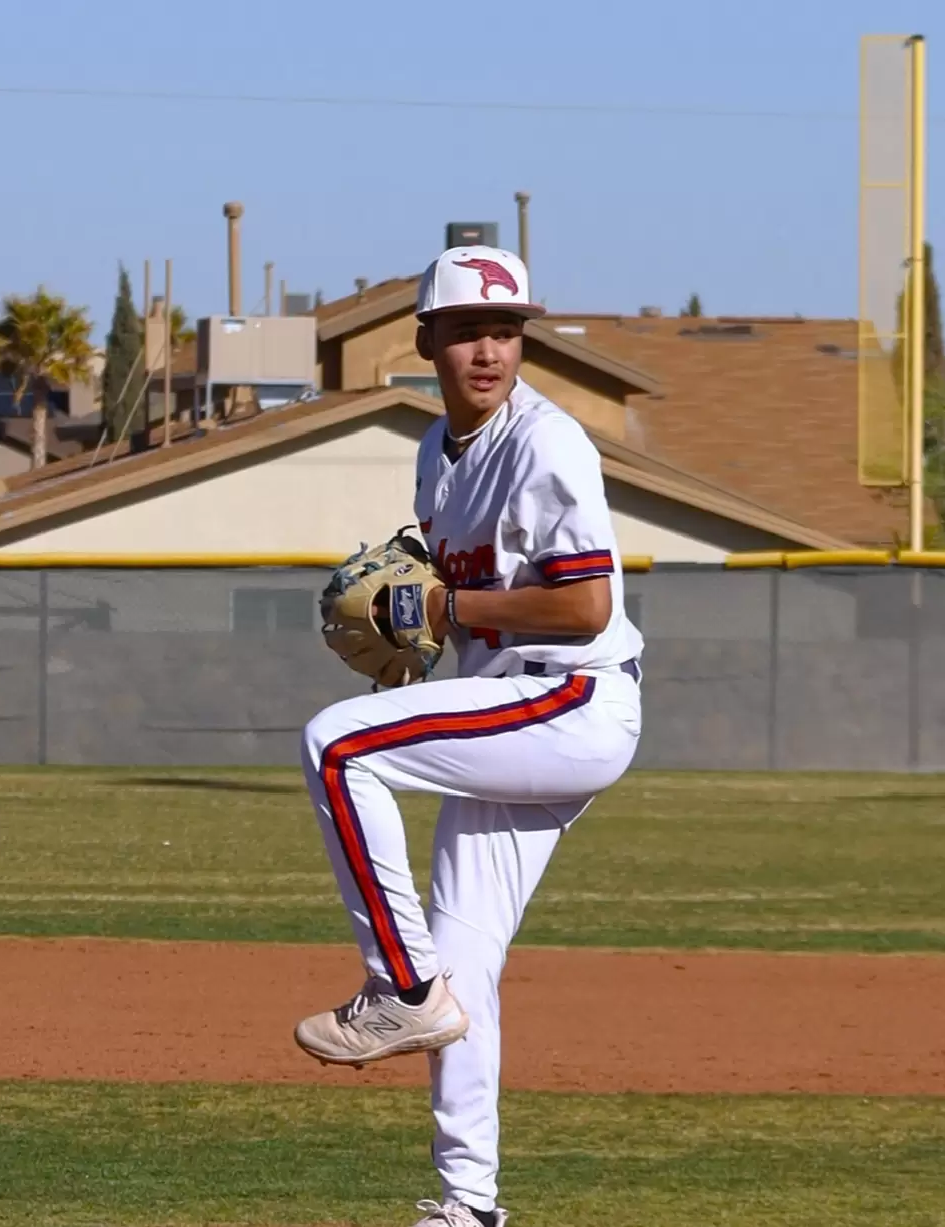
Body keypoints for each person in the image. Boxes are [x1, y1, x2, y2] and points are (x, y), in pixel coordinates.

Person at [296, 245, 643, 1227]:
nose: (488, 351)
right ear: (426, 343)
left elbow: (583, 607)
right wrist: (417, 641)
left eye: (504, 331)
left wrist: (449, 607)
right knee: (465, 968)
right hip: (514, 706)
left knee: (337, 745)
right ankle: (468, 1208)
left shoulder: (547, 443)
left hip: (571, 698)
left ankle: (396, 986)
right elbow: (455, 605)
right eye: (466, 332)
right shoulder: (434, 454)